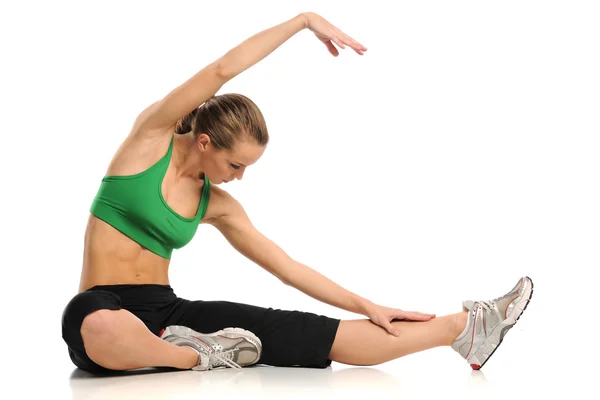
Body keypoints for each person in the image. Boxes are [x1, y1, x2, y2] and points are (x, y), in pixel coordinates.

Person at [61, 11, 533, 373]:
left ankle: (466, 328)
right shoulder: (149, 141)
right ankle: (194, 356)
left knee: (305, 332)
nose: (240, 177)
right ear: (204, 142)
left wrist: (367, 304)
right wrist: (302, 20)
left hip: (167, 312)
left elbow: (286, 267)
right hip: (102, 306)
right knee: (94, 320)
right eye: (235, 164)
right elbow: (222, 69)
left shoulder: (217, 205)